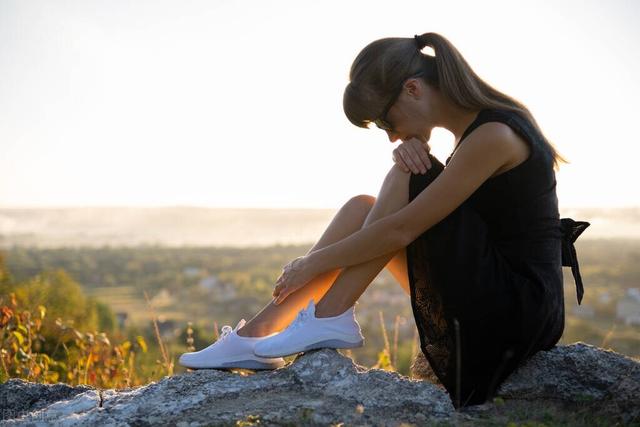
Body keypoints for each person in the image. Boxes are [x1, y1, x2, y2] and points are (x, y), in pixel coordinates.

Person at [178, 32, 589, 409]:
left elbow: (402, 230)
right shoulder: (474, 134)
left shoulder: (494, 135)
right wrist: (413, 166)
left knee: (408, 173)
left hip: (516, 311)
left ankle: (330, 316)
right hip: (493, 290)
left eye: (386, 123)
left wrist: (311, 263)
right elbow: (407, 225)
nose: (392, 136)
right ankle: (256, 336)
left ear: (412, 89)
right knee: (362, 205)